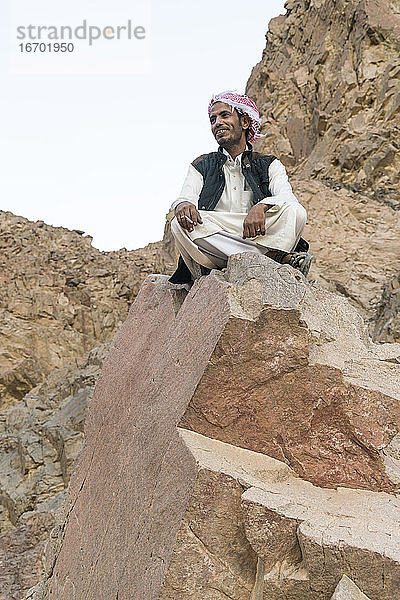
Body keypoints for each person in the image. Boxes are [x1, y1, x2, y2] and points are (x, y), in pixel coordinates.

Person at [168, 91, 311, 283]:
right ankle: (270, 259)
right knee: (180, 223)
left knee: (296, 211)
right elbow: (186, 197)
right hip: (216, 234)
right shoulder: (201, 165)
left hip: (258, 234)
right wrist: (183, 204)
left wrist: (262, 207)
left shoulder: (268, 164)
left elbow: (286, 196)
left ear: (244, 122)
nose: (217, 122)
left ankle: (251, 256)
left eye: (224, 115)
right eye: (213, 119)